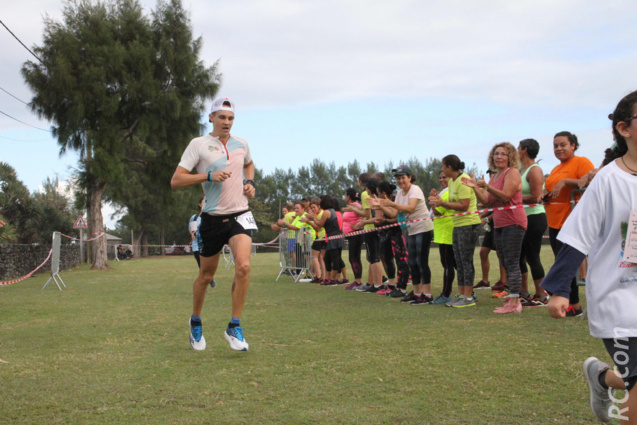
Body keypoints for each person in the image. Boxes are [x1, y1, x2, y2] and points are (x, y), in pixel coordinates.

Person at [541, 90, 637, 424]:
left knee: (631, 377)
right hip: (620, 297)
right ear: (624, 129)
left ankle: (601, 378)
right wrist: (560, 289)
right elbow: (577, 237)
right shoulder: (608, 180)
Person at [171, 97, 255, 352]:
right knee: (206, 275)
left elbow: (249, 164)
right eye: (221, 117)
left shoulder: (242, 144)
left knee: (243, 266)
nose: (226, 122)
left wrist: (250, 183)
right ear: (211, 118)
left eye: (230, 118)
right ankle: (196, 322)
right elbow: (176, 181)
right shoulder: (199, 144)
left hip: (240, 214)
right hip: (212, 218)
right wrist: (208, 175)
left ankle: (234, 326)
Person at [462, 142, 527, 314]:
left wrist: (487, 186)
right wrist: (475, 187)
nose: (499, 156)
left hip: (513, 222)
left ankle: (515, 302)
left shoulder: (512, 173)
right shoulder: (496, 176)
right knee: (505, 261)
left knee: (512, 262)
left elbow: (506, 196)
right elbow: (487, 201)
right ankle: (512, 299)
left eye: (503, 154)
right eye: (496, 154)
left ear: (510, 157)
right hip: (499, 223)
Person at [543, 131, 595, 317]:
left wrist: (566, 181)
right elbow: (554, 190)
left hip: (572, 220)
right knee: (561, 262)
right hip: (555, 221)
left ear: (573, 145)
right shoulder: (556, 168)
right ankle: (573, 304)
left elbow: (591, 183)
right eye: (555, 145)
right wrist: (545, 196)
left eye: (563, 144)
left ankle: (575, 303)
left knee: (568, 265)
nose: (559, 148)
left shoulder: (582, 162)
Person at [370, 165, 434, 305]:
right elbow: (394, 213)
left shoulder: (415, 190)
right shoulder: (399, 194)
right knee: (412, 262)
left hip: (423, 228)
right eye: (398, 178)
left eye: (403, 177)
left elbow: (410, 208)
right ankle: (417, 293)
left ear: (410, 177)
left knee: (421, 262)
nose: (400, 181)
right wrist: (381, 206)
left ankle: (427, 294)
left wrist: (389, 203)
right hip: (411, 229)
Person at [429, 155, 481, 308]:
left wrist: (443, 202)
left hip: (468, 224)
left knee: (466, 261)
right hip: (457, 225)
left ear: (449, 167)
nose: (442, 169)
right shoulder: (452, 181)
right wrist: (438, 201)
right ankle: (461, 294)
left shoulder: (463, 180)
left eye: (443, 166)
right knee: (458, 260)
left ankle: (469, 296)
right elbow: (447, 205)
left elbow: (464, 205)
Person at [517, 138, 549, 306]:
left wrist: (515, 199)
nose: (516, 150)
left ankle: (541, 295)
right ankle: (524, 292)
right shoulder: (523, 170)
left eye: (518, 147)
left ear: (525, 149)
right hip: (523, 217)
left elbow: (537, 197)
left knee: (532, 256)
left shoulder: (534, 170)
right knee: (521, 256)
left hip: (535, 218)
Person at [374, 181, 410, 297]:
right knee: (389, 258)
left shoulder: (395, 199)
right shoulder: (388, 202)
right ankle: (395, 286)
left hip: (399, 233)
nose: (378, 196)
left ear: (384, 193)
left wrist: (384, 219)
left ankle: (401, 288)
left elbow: (396, 218)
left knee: (401, 261)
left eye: (379, 194)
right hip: (391, 233)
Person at [430, 170, 455, 304]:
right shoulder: (444, 192)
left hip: (447, 233)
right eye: (440, 177)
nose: (441, 180)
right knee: (456, 265)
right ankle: (470, 292)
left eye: (444, 177)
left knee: (447, 265)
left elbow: (437, 212)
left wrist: (433, 201)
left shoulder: (448, 192)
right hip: (443, 233)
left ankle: (446, 294)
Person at [189, 196, 216, 290]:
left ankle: (210, 278)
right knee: (202, 268)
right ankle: (203, 288)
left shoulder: (211, 216)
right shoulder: (195, 218)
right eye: (203, 202)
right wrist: (193, 234)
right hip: (197, 246)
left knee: (207, 267)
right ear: (199, 204)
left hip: (207, 246)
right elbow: (192, 230)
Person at [342, 188, 364, 290]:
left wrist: (357, 226)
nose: (344, 197)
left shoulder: (356, 205)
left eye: (345, 195)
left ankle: (358, 281)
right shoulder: (350, 206)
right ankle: (357, 280)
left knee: (354, 257)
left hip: (356, 234)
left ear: (349, 196)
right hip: (351, 235)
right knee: (353, 257)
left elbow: (363, 215)